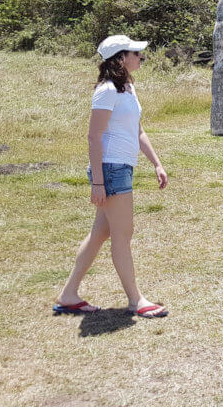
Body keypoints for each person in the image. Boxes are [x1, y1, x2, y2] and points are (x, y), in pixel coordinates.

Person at [54, 35, 169, 318]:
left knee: (101, 233)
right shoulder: (107, 90)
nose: (141, 57)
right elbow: (94, 136)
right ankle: (136, 300)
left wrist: (156, 163)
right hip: (111, 169)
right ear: (120, 58)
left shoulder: (127, 88)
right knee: (122, 235)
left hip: (122, 167)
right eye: (135, 53)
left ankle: (68, 295)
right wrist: (98, 183)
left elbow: (138, 131)